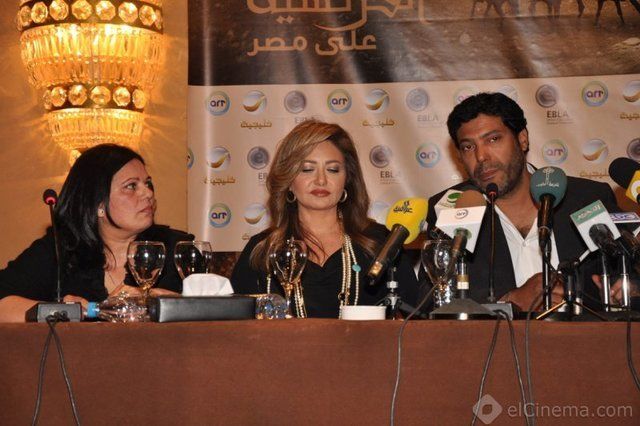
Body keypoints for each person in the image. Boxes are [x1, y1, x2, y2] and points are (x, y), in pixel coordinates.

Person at [425, 92, 638, 311]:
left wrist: (628, 291)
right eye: (468, 147)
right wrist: (509, 303)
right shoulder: (450, 211)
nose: (481, 157)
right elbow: (433, 306)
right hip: (497, 335)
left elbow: (629, 273)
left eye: (493, 139)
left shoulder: (586, 198)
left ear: (522, 139)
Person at [231, 120, 420, 318]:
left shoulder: (381, 244)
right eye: (307, 169)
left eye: (333, 170)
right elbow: (234, 328)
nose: (321, 180)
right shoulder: (262, 250)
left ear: (347, 179)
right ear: (289, 181)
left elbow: (415, 321)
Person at [0, 144, 193, 322]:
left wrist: (159, 301)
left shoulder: (177, 248)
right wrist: (69, 311)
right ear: (98, 205)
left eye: (148, 184)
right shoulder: (60, 249)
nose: (148, 193)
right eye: (131, 186)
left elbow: (207, 307)